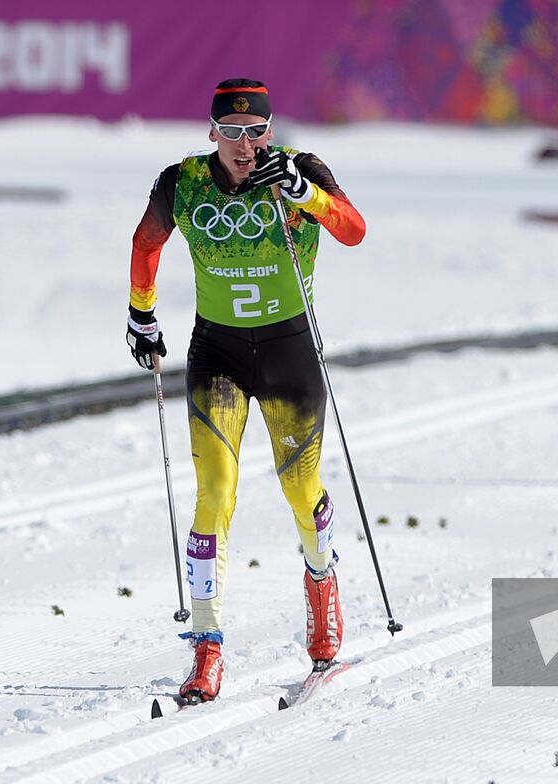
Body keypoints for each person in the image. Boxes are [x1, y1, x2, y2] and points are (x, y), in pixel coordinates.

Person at [125, 78, 366, 703]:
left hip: (288, 353)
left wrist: (305, 194)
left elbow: (354, 230)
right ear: (211, 134)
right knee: (215, 497)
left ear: (270, 128)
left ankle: (323, 590)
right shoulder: (183, 183)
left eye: (255, 131)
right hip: (218, 355)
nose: (244, 144)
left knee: (301, 490)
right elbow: (146, 242)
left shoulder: (299, 170)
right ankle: (205, 650)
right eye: (230, 132)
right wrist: (141, 312)